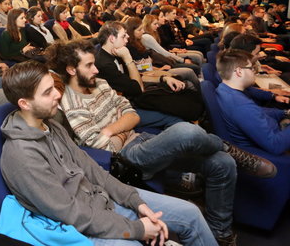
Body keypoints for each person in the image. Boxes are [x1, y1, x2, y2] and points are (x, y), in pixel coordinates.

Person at [47, 38, 277, 246]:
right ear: (71, 69)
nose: (96, 69)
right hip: (125, 159)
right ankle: (225, 145)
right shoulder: (71, 104)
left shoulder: (101, 84)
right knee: (185, 131)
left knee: (222, 163)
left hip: (142, 140)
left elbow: (132, 113)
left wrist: (113, 129)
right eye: (89, 65)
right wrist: (122, 128)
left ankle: (220, 232)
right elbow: (104, 146)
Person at [0, 60, 218, 246]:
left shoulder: (50, 125)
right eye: (48, 92)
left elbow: (92, 170)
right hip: (79, 227)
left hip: (101, 201)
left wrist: (134, 200)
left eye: (54, 87)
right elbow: (70, 214)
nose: (58, 94)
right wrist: (136, 229)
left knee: (190, 214)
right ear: (24, 104)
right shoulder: (21, 155)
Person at [216, 49, 290, 155]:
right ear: (239, 71)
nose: (254, 71)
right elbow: (276, 145)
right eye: (251, 68)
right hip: (273, 151)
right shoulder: (242, 106)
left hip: (273, 132)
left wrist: (285, 113)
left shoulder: (223, 89)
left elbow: (258, 112)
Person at [125, 17, 200, 89]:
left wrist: (175, 51)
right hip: (152, 73)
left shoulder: (139, 41)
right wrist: (160, 69)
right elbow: (141, 68)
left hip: (158, 66)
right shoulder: (133, 46)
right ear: (131, 32)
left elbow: (147, 63)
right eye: (139, 30)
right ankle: (204, 93)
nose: (143, 31)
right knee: (190, 71)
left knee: (195, 60)